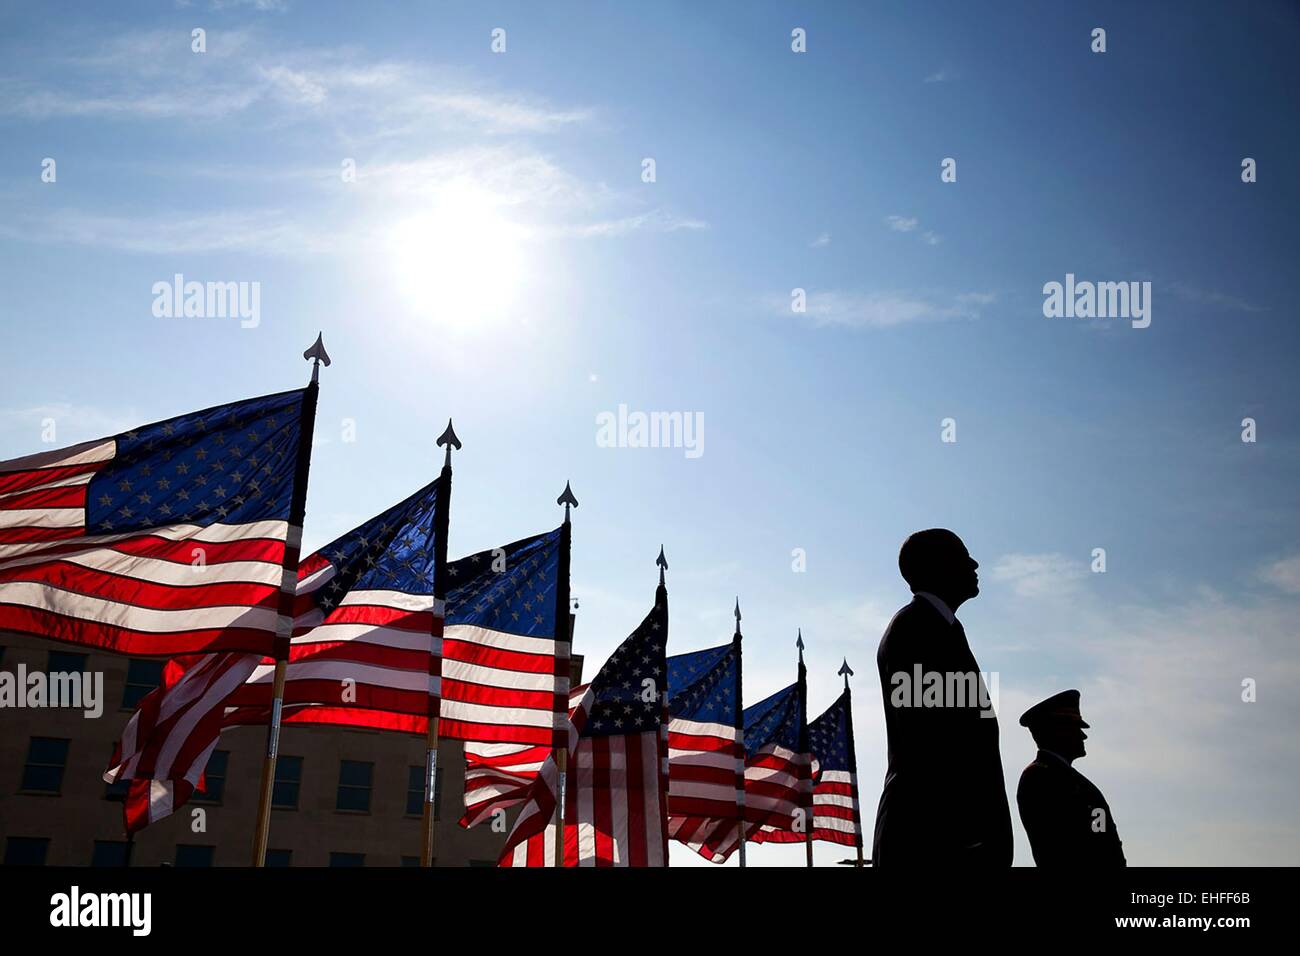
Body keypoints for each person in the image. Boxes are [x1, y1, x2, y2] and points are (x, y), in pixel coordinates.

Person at [870, 528, 1013, 866]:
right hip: (931, 840)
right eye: (964, 556)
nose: (975, 564)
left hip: (947, 838)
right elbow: (932, 741)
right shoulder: (915, 629)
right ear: (938, 566)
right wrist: (968, 835)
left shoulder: (941, 629)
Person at [1016, 689, 1126, 866]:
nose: (1083, 735)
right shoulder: (1040, 778)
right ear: (1057, 731)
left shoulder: (1073, 781)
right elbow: (1061, 846)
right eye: (1075, 727)